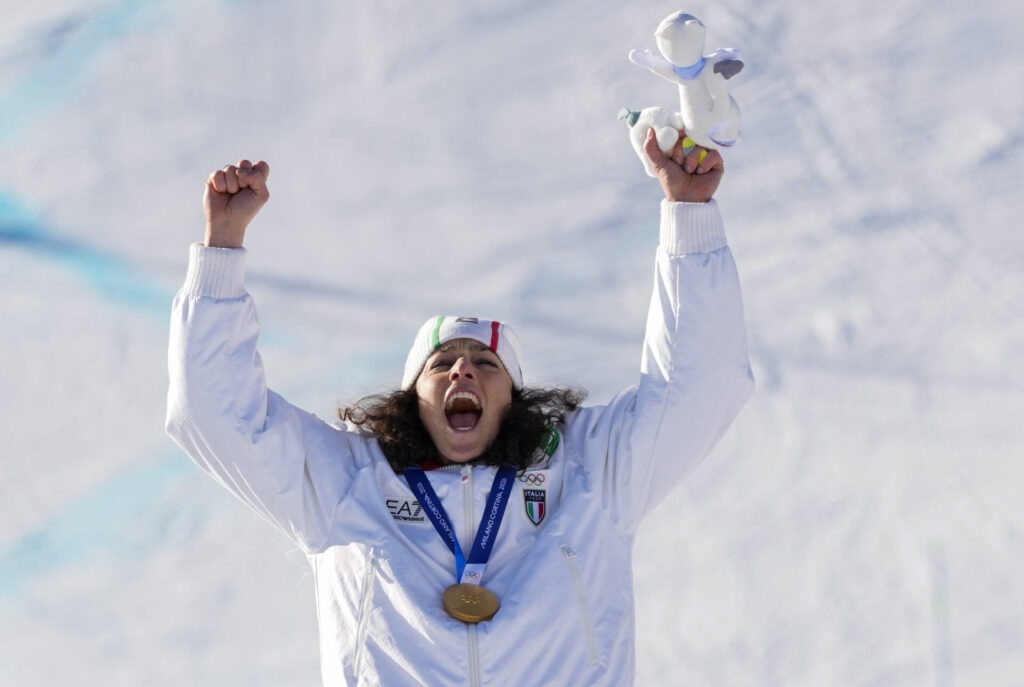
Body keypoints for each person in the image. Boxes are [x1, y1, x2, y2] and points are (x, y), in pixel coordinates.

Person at [165, 127, 753, 686]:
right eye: (441, 364)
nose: (463, 370)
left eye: (486, 364)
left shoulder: (590, 471)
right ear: (410, 398)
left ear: (516, 400)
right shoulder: (345, 482)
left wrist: (690, 214)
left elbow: (696, 389)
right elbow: (218, 416)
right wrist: (222, 248)